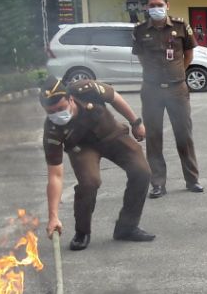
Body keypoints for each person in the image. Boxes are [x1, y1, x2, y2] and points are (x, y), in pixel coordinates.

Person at [39, 77, 154, 250]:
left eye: (61, 108)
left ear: (70, 99)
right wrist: (53, 216)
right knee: (89, 183)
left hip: (112, 135)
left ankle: (127, 227)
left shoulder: (87, 89)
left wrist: (135, 122)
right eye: (51, 112)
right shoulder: (52, 131)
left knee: (142, 171)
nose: (57, 114)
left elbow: (115, 98)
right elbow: (55, 176)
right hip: (82, 148)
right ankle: (82, 232)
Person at [132, 0, 202, 198]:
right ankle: (158, 183)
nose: (155, 8)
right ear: (146, 8)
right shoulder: (140, 30)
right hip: (151, 89)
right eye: (151, 5)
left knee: (184, 135)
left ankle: (192, 180)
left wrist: (178, 71)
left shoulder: (181, 26)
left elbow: (188, 53)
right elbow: (142, 57)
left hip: (177, 88)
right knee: (154, 137)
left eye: (159, 4)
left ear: (167, 5)